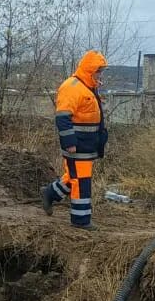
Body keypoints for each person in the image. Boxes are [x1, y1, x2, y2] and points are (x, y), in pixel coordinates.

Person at [41, 50, 108, 229]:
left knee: (74, 177)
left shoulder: (89, 87)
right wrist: (70, 143)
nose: (100, 75)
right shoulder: (72, 87)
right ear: (90, 69)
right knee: (81, 182)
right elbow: (63, 118)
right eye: (98, 71)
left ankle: (49, 193)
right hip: (76, 146)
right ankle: (81, 220)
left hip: (86, 145)